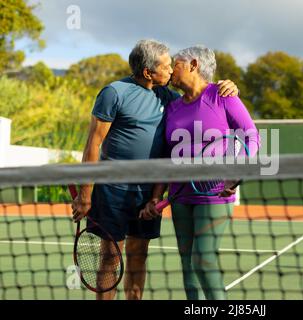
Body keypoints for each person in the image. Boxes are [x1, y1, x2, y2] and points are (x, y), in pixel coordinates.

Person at [71, 40, 239, 300]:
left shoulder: (170, 97)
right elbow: (93, 143)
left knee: (139, 255)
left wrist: (226, 86)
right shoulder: (114, 92)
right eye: (167, 65)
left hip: (147, 192)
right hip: (112, 189)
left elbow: (198, 94)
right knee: (109, 258)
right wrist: (85, 194)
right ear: (148, 72)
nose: (172, 70)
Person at [140, 46, 259, 300]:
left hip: (215, 193)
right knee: (188, 268)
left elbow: (251, 135)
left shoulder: (223, 95)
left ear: (193, 64)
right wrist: (155, 196)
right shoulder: (172, 106)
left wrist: (236, 173)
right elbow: (166, 156)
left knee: (203, 260)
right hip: (180, 197)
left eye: (176, 64)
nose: (171, 69)